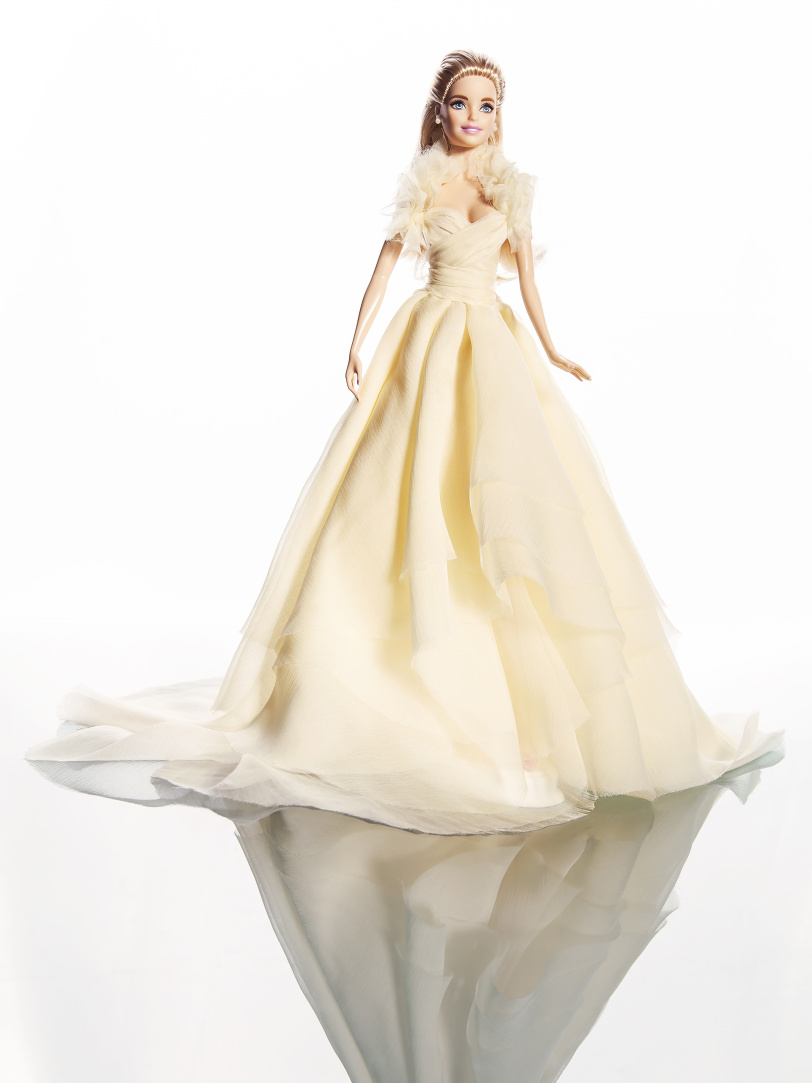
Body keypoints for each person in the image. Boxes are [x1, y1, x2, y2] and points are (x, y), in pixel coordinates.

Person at [25, 50, 783, 836]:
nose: (473, 117)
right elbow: (384, 271)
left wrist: (555, 350)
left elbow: (528, 282)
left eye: (486, 105)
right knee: (413, 489)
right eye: (461, 103)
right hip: (429, 344)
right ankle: (395, 688)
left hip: (495, 351)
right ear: (439, 110)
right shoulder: (424, 185)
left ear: (500, 115)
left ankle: (530, 722)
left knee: (510, 515)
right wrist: (355, 342)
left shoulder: (512, 191)